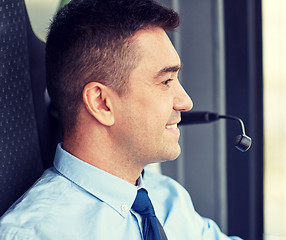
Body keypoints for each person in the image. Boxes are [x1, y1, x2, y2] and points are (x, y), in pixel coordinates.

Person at [0, 0, 242, 239]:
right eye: (166, 81)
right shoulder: (36, 234)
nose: (186, 102)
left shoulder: (170, 198)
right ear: (101, 103)